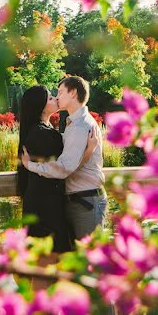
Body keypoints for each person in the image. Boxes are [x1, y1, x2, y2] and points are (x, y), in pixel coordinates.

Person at [21, 76, 105, 240]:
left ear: (73, 93)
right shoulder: (70, 125)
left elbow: (64, 167)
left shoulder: (81, 125)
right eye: (53, 96)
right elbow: (67, 164)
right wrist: (88, 151)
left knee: (87, 257)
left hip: (85, 199)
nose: (57, 97)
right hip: (69, 201)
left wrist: (30, 166)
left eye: (59, 92)